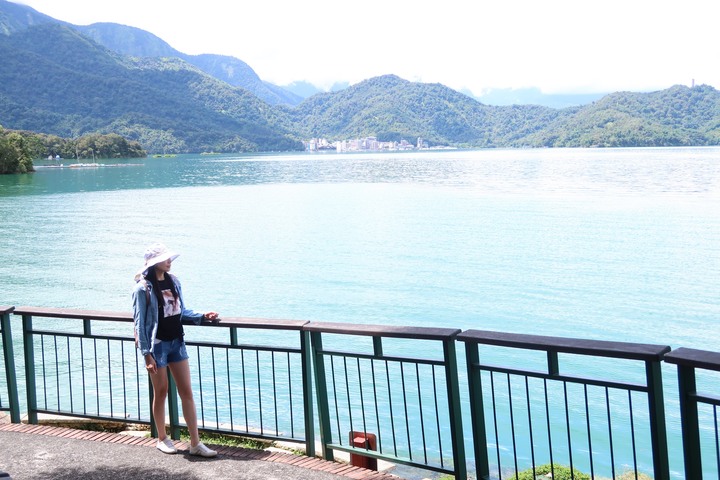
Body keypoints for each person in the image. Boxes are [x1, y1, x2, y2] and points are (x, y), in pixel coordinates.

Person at [132, 242, 220, 457]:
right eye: (165, 258)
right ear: (154, 263)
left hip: (176, 342)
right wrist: (147, 354)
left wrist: (201, 316)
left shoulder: (174, 281)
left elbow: (180, 310)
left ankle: (195, 443)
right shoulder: (142, 289)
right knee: (161, 392)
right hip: (158, 345)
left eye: (169, 257)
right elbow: (139, 323)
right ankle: (162, 438)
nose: (169, 261)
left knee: (186, 392)